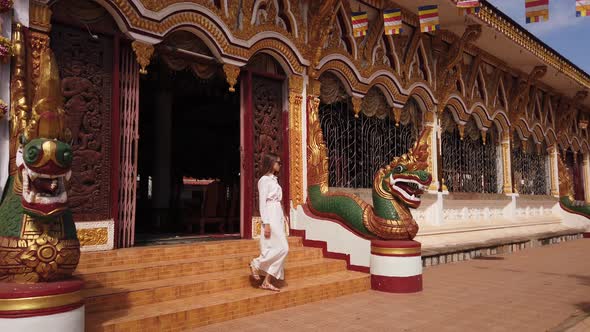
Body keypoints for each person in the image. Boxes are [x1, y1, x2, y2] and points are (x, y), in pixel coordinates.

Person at [250, 153, 289, 292]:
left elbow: (279, 200)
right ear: (271, 162)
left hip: (277, 215)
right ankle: (256, 263)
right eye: (278, 162)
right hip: (270, 216)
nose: (279, 164)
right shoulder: (264, 181)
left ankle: (266, 281)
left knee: (280, 248)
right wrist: (266, 223)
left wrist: (283, 216)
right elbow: (262, 204)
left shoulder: (274, 180)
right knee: (283, 248)